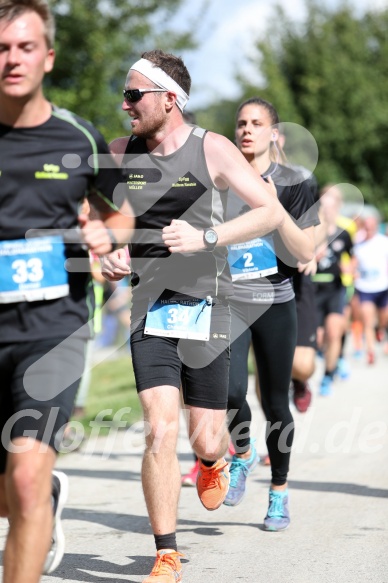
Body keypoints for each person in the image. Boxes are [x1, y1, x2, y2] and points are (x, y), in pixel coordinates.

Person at [101, 50, 308, 583]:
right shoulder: (122, 152)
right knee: (158, 430)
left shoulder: (211, 149)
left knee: (206, 438)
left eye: (133, 95)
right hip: (150, 307)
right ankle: (166, 554)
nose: (125, 105)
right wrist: (110, 252)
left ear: (169, 99)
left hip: (210, 308)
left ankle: (215, 460)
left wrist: (207, 236)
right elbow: (104, 220)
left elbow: (266, 209)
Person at [0, 2, 134, 582]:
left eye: (25, 47)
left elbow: (124, 218)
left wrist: (107, 237)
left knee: (23, 477)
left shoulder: (78, 136)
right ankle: (44, 501)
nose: (12, 59)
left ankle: (37, 494)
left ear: (48, 56)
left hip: (54, 328)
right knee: (16, 491)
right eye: (2, 48)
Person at [218, 98, 318, 527]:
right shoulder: (220, 179)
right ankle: (242, 451)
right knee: (228, 391)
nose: (247, 130)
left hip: (276, 302)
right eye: (241, 123)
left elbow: (304, 253)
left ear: (274, 134)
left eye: (257, 123)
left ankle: (279, 491)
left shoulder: (296, 183)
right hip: (230, 299)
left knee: (277, 403)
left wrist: (274, 212)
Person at [311, 187, 354, 395]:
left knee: (334, 331)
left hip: (335, 288)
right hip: (312, 288)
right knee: (318, 338)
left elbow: (352, 256)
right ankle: (328, 360)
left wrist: (350, 269)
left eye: (332, 204)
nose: (327, 208)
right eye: (324, 203)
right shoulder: (309, 230)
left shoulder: (343, 233)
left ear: (337, 206)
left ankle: (328, 375)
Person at [353, 213, 388, 364]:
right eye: (366, 227)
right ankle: (371, 352)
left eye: (371, 227)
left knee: (383, 319)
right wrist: (352, 272)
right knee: (367, 321)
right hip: (365, 288)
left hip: (382, 286)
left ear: (376, 227)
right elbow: (353, 264)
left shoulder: (384, 242)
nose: (368, 230)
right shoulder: (358, 245)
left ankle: (379, 329)